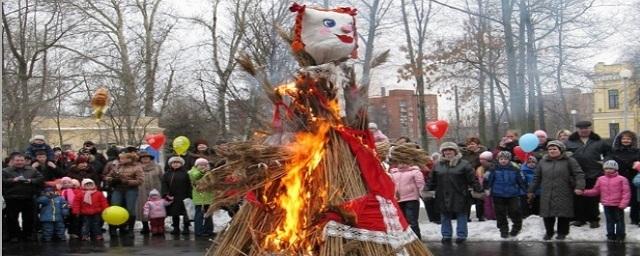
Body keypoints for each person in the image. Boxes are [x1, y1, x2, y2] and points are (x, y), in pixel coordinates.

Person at [424, 142, 482, 244]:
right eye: (445, 150)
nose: (448, 152)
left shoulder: (464, 164)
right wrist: (426, 190)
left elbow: (472, 179)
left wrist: (479, 190)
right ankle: (446, 235)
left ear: (455, 151)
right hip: (442, 194)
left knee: (461, 215)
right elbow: (431, 180)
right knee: (445, 216)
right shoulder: (437, 165)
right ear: (442, 152)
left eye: (450, 150)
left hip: (460, 194)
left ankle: (461, 235)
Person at [528, 140, 585, 240]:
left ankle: (562, 233)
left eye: (554, 149)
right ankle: (549, 232)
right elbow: (537, 177)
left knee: (563, 214)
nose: (552, 151)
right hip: (547, 192)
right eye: (550, 149)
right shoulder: (542, 162)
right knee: (547, 214)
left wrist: (579, 186)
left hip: (564, 191)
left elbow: (578, 174)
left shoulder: (569, 160)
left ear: (561, 150)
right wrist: (531, 190)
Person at [565, 121, 610, 228]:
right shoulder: (569, 142)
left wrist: (605, 161)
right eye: (581, 128)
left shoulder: (598, 141)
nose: (584, 130)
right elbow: (563, 154)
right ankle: (580, 219)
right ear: (577, 129)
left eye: (586, 128)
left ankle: (594, 219)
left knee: (593, 198)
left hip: (594, 173)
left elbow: (609, 153)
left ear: (590, 129)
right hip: (576, 174)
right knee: (578, 197)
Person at [582, 160, 630, 242]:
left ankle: (620, 235)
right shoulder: (601, 179)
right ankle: (610, 235)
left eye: (611, 168)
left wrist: (623, 203)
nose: (608, 170)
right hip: (606, 204)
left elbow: (626, 192)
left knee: (619, 221)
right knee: (610, 221)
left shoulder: (622, 179)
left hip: (618, 204)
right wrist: (584, 192)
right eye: (606, 168)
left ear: (616, 169)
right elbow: (595, 191)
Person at [2, 153, 44, 242]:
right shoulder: (5, 171)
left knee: (29, 218)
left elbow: (40, 178)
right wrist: (13, 180)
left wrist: (31, 180)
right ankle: (14, 236)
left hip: (28, 197)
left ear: (24, 161)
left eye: (21, 160)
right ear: (13, 161)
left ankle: (27, 235)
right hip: (12, 198)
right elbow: (2, 181)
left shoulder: (32, 169)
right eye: (17, 160)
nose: (20, 162)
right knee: (12, 218)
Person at [487, 151, 526, 238]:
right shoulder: (493, 168)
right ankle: (503, 229)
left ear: (509, 159)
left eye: (505, 159)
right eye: (501, 159)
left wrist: (525, 190)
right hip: (498, 194)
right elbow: (488, 179)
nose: (503, 161)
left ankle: (516, 227)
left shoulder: (515, 168)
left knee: (515, 211)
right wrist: (486, 188)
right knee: (500, 213)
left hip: (513, 194)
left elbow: (521, 180)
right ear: (498, 159)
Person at [389, 145, 425, 239]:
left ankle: (416, 238)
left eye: (405, 162)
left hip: (411, 199)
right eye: (400, 163)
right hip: (398, 200)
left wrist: (423, 195)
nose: (402, 165)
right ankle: (405, 238)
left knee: (412, 220)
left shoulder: (415, 172)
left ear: (409, 162)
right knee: (401, 220)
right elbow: (391, 186)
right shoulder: (393, 173)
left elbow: (420, 184)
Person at [104, 152, 143, 237]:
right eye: (120, 158)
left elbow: (140, 181)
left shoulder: (137, 167)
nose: (120, 160)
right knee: (115, 208)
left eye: (122, 158)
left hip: (131, 189)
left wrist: (126, 181)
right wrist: (112, 180)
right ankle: (113, 228)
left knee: (130, 209)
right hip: (118, 189)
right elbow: (107, 177)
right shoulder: (117, 166)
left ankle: (130, 230)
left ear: (129, 159)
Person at [606, 130, 640, 226]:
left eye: (628, 139)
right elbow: (608, 161)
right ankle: (617, 218)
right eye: (624, 138)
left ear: (632, 140)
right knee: (617, 199)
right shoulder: (613, 151)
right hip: (618, 178)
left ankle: (635, 219)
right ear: (619, 140)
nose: (626, 140)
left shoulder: (637, 151)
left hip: (633, 178)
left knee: (635, 200)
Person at [135, 151, 164, 235]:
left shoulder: (157, 167)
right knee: (143, 208)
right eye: (143, 157)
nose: (145, 159)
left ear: (150, 158)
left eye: (147, 157)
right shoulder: (137, 167)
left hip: (156, 190)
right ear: (140, 159)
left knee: (156, 208)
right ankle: (145, 226)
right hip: (141, 190)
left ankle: (157, 226)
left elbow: (162, 178)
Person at [162, 156, 192, 235]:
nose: (175, 164)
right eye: (173, 163)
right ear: (170, 164)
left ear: (181, 164)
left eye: (177, 162)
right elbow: (164, 184)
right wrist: (165, 193)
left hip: (184, 195)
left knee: (186, 213)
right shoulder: (167, 174)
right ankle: (176, 227)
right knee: (174, 213)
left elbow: (190, 185)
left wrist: (189, 194)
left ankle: (186, 227)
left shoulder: (186, 173)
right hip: (172, 196)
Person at [461, 137, 487, 221]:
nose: (470, 146)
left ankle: (480, 215)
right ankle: (466, 216)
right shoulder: (464, 154)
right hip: (467, 176)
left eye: (472, 144)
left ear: (478, 145)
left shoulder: (483, 153)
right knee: (467, 198)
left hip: (478, 176)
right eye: (469, 144)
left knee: (479, 196)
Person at [188, 158, 215, 237]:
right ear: (196, 165)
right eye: (201, 165)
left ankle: (209, 230)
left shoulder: (210, 172)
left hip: (209, 196)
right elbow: (196, 176)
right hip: (199, 197)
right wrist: (202, 172)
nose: (203, 166)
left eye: (205, 165)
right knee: (199, 215)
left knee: (209, 214)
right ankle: (198, 231)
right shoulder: (192, 172)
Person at [478, 151, 496, 220]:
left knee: (493, 202)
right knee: (487, 202)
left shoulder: (492, 168)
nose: (481, 161)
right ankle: (489, 215)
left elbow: (487, 179)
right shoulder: (482, 168)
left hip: (493, 187)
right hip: (487, 188)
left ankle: (494, 215)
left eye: (483, 160)